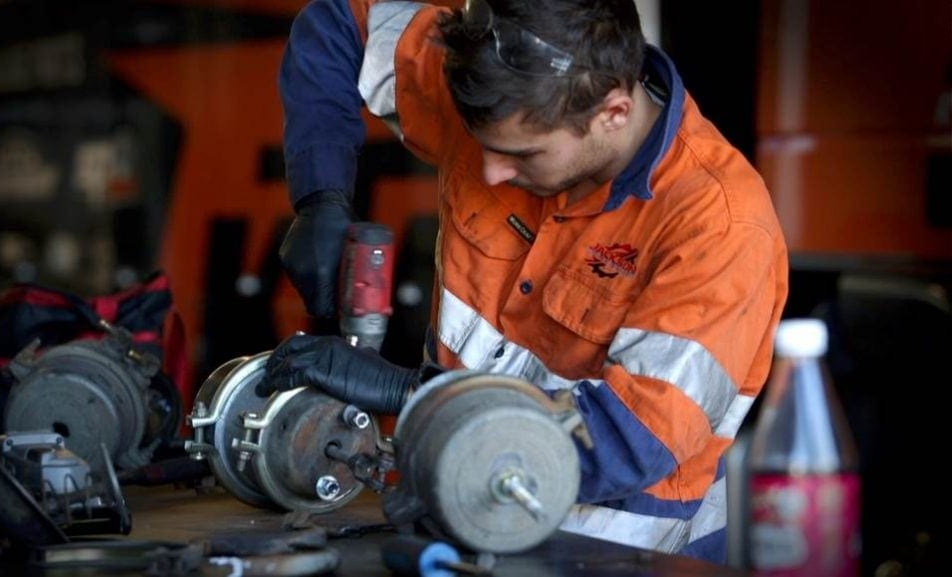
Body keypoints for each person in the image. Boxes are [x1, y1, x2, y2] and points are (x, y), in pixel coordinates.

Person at [267, 0, 788, 563]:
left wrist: (409, 393)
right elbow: (341, 22)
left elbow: (630, 440)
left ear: (614, 111)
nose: (490, 172)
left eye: (522, 155)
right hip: (448, 521)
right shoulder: (503, 103)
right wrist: (321, 198)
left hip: (614, 552)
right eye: (482, 144)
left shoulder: (720, 225)